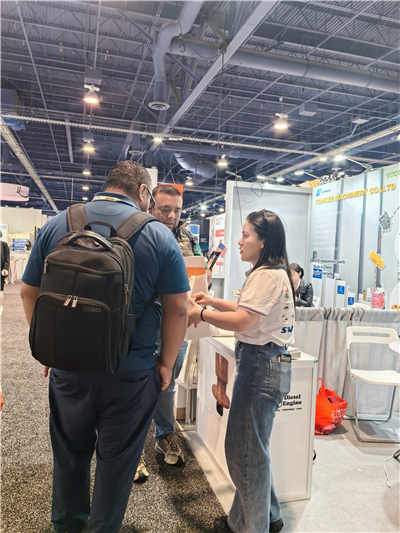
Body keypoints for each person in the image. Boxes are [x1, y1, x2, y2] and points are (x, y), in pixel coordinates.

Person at [20, 161, 190, 533]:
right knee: (117, 464)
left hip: (68, 368)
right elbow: (179, 308)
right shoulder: (158, 236)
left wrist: (49, 345)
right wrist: (166, 363)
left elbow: (29, 291)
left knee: (69, 455)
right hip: (131, 373)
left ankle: (68, 525)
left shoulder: (58, 224)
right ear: (143, 192)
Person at [188, 209, 295, 533]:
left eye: (246, 235)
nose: (239, 241)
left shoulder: (266, 276)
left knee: (245, 453)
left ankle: (252, 526)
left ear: (263, 241)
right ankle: (265, 517)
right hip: (271, 363)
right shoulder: (273, 273)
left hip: (260, 365)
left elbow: (243, 321)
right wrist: (213, 302)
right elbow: (247, 309)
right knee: (254, 450)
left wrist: (200, 313)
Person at [134, 184, 202, 481]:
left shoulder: (187, 237)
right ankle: (133, 449)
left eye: (177, 210)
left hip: (177, 323)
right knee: (136, 385)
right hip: (142, 323)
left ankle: (164, 435)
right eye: (165, 209)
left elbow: (200, 272)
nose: (172, 216)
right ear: (151, 207)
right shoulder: (137, 234)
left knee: (167, 384)